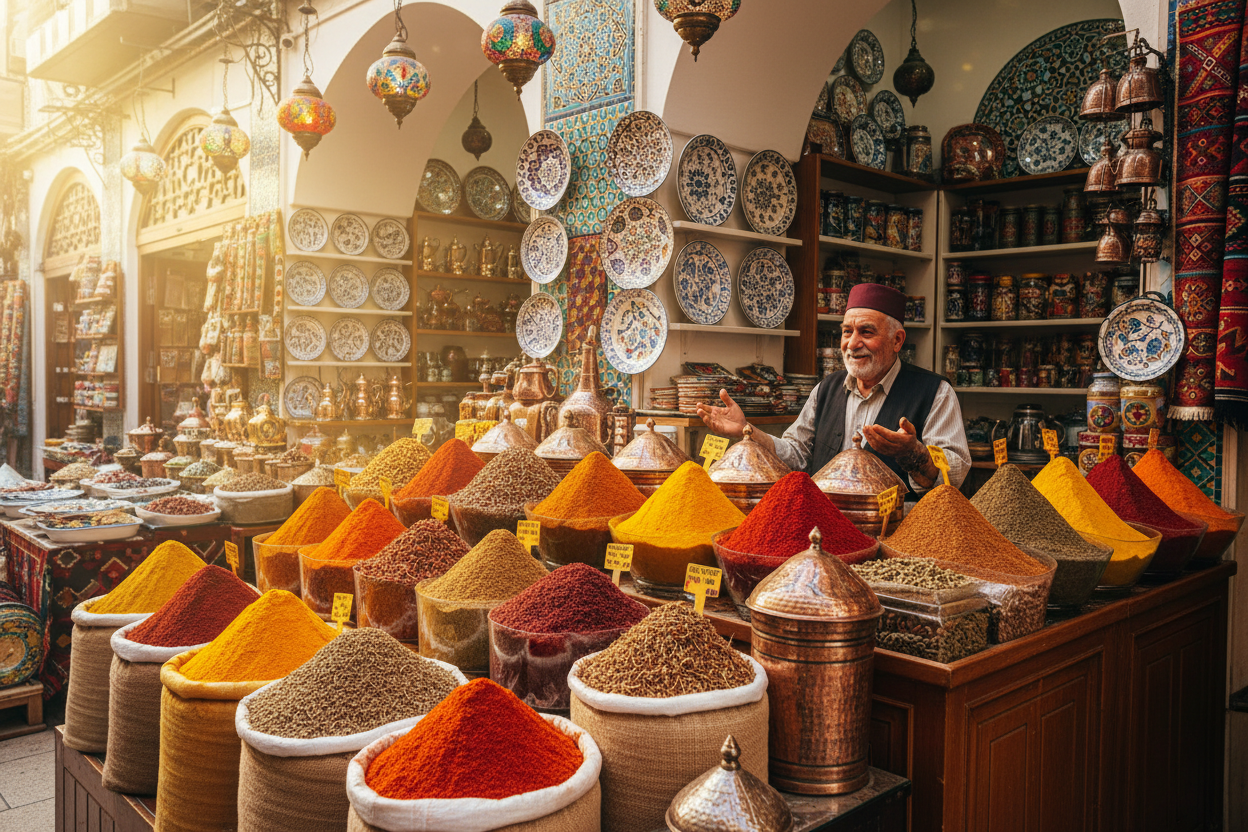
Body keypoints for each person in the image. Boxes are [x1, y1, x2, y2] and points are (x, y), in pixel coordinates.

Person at [697, 283, 970, 495]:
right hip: (823, 530)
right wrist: (746, 431)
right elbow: (796, 455)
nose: (852, 343)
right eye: (847, 331)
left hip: (897, 530)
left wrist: (913, 454)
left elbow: (953, 475)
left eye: (866, 332)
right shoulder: (826, 389)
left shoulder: (935, 392)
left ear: (897, 340)